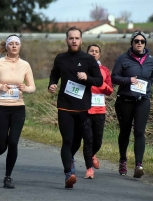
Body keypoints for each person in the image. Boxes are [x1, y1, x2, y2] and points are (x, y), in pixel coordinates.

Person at [48, 26, 103, 188]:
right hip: (65, 107)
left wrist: (87, 78)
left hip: (83, 108)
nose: (74, 41)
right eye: (71, 38)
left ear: (81, 40)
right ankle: (68, 173)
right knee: (67, 140)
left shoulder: (89, 60)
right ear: (67, 40)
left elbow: (99, 81)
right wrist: (52, 84)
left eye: (76, 38)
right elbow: (54, 74)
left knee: (77, 142)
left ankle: (69, 160)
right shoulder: (60, 58)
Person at [0, 34, 35, 188]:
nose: (13, 46)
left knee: (13, 142)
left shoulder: (25, 65)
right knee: (2, 146)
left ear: (20, 46)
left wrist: (26, 88)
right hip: (0, 107)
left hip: (18, 108)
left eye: (16, 44)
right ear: (6, 46)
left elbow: (32, 87)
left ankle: (8, 177)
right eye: (10, 43)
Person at [111, 30, 153, 178]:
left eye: (142, 41)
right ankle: (123, 160)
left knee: (139, 132)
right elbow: (114, 77)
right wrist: (128, 80)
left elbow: (152, 77)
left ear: (145, 44)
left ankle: (139, 165)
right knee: (125, 132)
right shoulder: (123, 59)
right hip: (125, 100)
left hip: (142, 101)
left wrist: (146, 88)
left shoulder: (151, 60)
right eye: (136, 41)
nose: (139, 43)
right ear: (132, 43)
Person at [83, 44, 113, 179]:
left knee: (98, 141)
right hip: (85, 110)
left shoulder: (104, 70)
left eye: (96, 51)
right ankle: (89, 169)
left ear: (99, 55)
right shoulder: (82, 69)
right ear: (87, 53)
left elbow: (110, 91)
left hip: (100, 109)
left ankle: (92, 154)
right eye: (91, 51)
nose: (94, 53)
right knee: (88, 139)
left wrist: (100, 84)